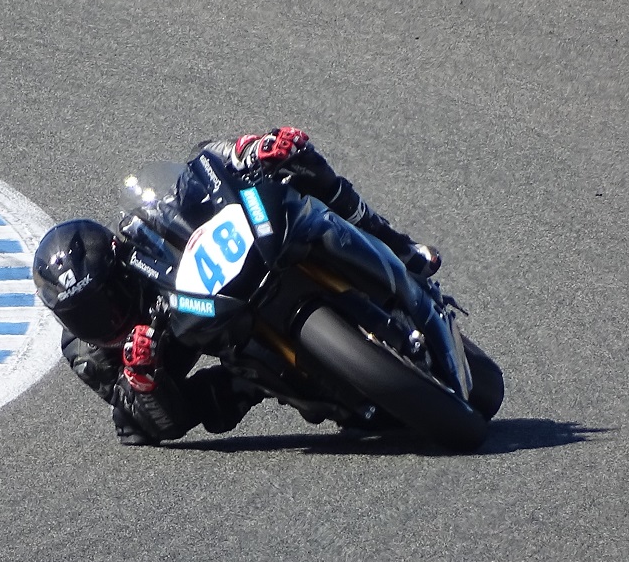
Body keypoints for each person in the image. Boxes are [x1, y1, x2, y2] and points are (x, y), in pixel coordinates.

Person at [33, 127, 443, 446]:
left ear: (118, 268)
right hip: (184, 334)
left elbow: (203, 170)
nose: (107, 318)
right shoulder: (86, 353)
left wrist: (253, 148)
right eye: (85, 316)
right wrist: (144, 378)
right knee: (167, 416)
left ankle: (401, 249)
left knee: (295, 161)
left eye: (107, 300)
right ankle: (303, 384)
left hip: (211, 275)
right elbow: (134, 418)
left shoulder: (137, 241)